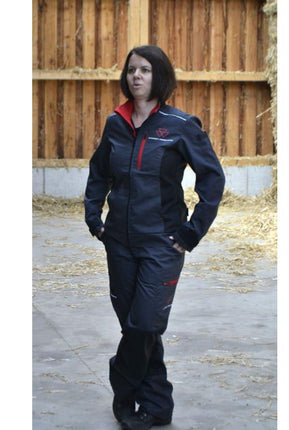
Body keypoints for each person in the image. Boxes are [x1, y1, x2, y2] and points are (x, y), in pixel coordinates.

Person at [84, 45, 225, 430]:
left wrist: (191, 232)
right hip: (119, 242)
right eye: (131, 70)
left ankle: (122, 384)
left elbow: (212, 179)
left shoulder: (180, 126)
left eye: (145, 70)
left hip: (162, 243)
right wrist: (94, 217)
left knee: (145, 324)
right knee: (134, 325)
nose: (137, 76)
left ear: (159, 76)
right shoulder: (116, 123)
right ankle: (158, 406)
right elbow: (99, 171)